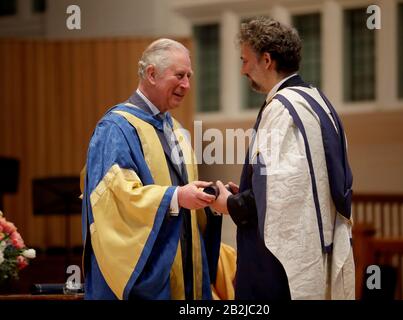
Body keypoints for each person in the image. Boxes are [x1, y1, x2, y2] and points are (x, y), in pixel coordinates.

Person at [210, 17, 355, 299]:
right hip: (320, 246)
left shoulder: (283, 109)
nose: (242, 70)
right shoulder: (318, 101)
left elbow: (278, 198)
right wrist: (249, 194)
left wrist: (229, 203)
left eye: (245, 60)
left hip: (281, 266)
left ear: (266, 60)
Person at [81, 38, 223, 300]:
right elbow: (117, 201)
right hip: (147, 277)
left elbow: (188, 209)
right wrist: (176, 197)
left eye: (189, 76)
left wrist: (209, 198)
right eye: (179, 75)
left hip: (184, 270)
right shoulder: (116, 129)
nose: (187, 85)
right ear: (151, 74)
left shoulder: (177, 131)